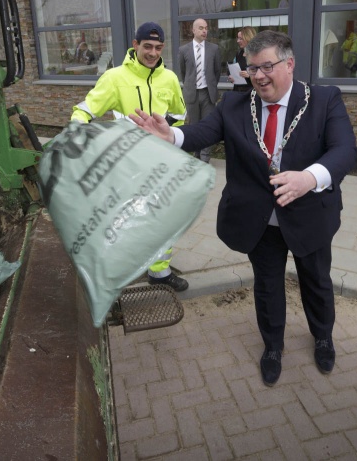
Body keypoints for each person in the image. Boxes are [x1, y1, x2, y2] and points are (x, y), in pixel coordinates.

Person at [128, 31, 357, 385]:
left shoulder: (324, 100)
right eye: (252, 69)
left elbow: (345, 150)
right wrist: (171, 136)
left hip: (309, 213)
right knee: (267, 285)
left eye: (267, 66)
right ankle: (272, 347)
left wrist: (309, 179)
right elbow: (203, 132)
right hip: (258, 219)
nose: (259, 76)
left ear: (289, 64)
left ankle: (323, 336)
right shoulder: (235, 106)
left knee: (316, 281)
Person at [71, 22, 189, 292]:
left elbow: (180, 115)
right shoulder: (115, 78)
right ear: (135, 45)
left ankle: (159, 273)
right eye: (147, 46)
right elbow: (85, 110)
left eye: (158, 48)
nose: (152, 53)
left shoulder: (169, 78)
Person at [178, 18, 221, 163]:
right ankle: (196, 156)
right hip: (192, 93)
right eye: (201, 28)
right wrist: (190, 85)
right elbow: (184, 73)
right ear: (194, 30)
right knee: (194, 125)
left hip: (208, 93)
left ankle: (205, 157)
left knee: (207, 125)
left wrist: (211, 86)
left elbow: (217, 72)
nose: (204, 31)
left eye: (206, 28)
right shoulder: (183, 50)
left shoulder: (213, 49)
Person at [229, 26, 256, 92]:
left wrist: (249, 75)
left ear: (248, 38)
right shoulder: (239, 53)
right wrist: (233, 77)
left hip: (251, 93)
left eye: (241, 39)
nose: (238, 41)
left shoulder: (257, 54)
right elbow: (236, 71)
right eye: (237, 38)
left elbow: (263, 73)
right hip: (237, 91)